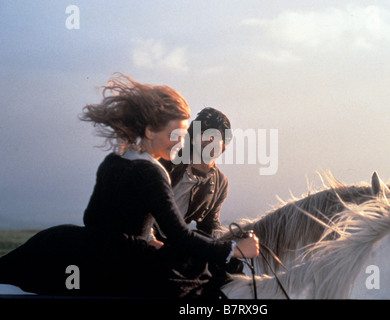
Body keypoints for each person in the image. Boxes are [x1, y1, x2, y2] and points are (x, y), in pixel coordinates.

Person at [0, 73, 258, 298]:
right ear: (149, 131)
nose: (179, 141)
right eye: (177, 134)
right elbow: (179, 234)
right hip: (127, 261)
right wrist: (233, 249)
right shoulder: (154, 170)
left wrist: (146, 240)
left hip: (71, 242)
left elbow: (95, 218)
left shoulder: (114, 159)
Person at [158, 107, 232, 239]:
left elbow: (209, 223)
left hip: (173, 244)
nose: (209, 139)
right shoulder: (167, 159)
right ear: (192, 139)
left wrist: (226, 243)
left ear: (224, 145)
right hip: (141, 237)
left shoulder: (220, 183)